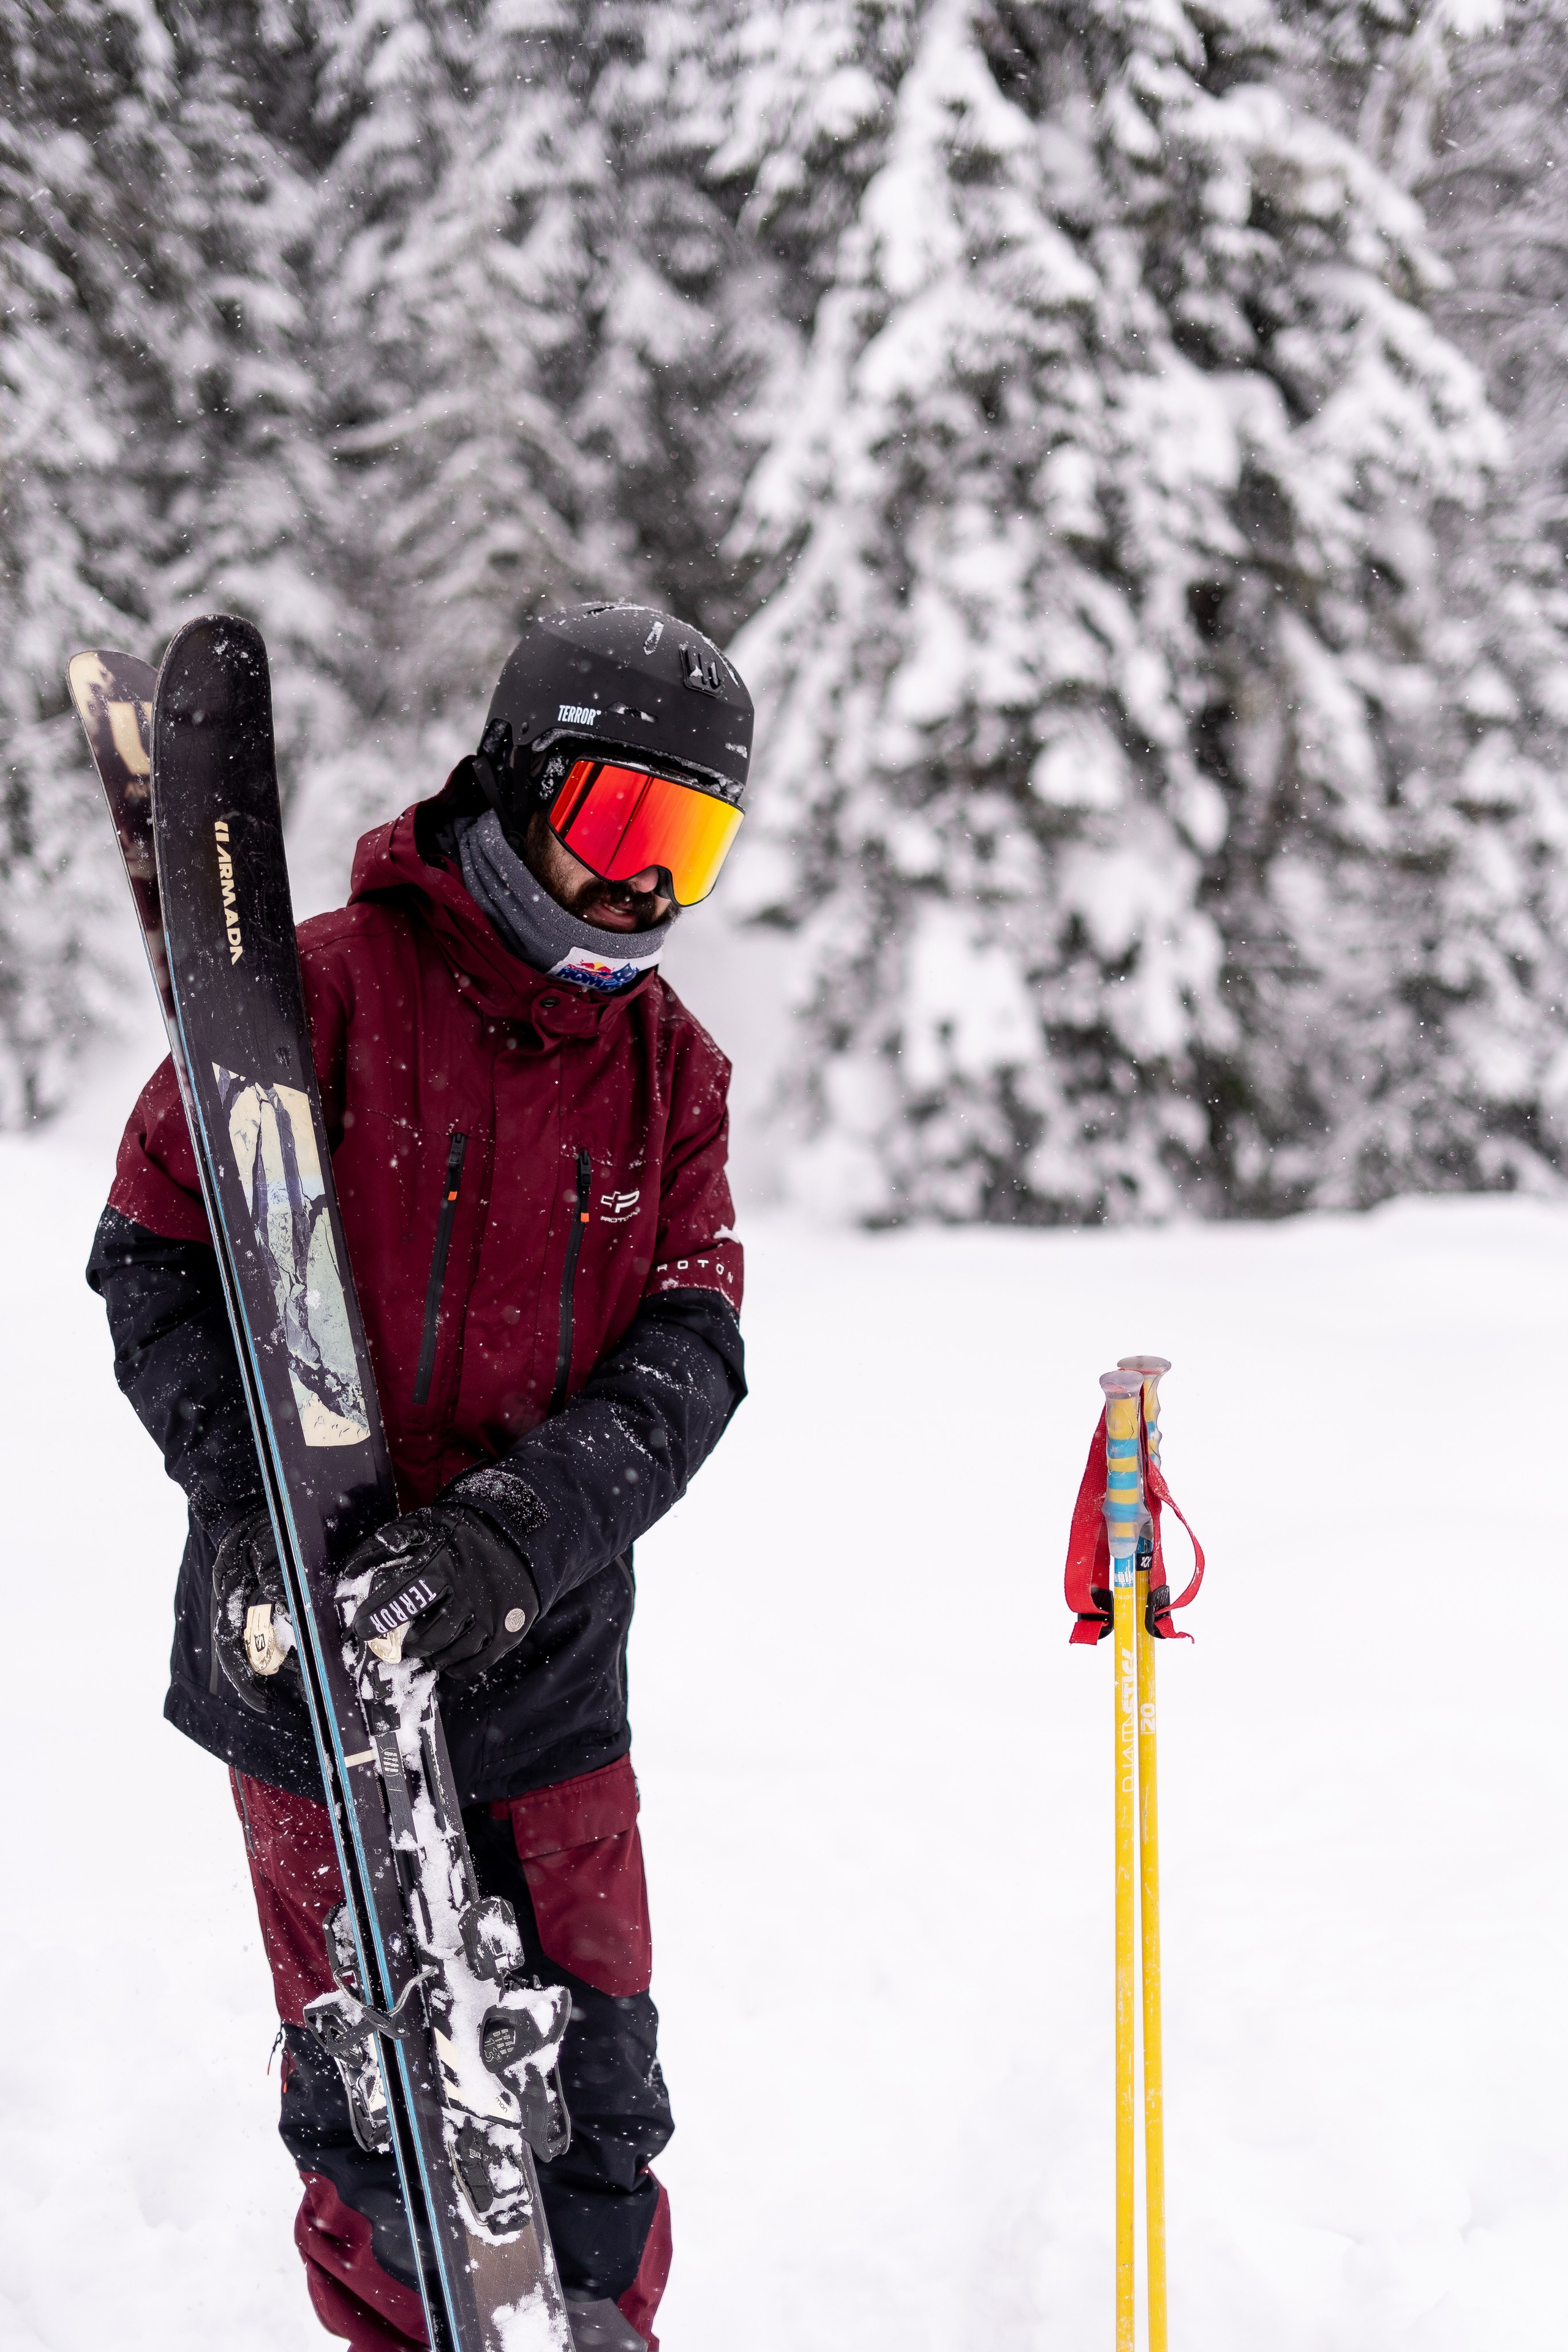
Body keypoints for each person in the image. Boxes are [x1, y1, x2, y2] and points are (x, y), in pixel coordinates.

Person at [87, 603, 753, 2352]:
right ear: (518, 781)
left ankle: (596, 2330)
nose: (643, 888)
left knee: (597, 2092)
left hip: (545, 1659)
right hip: (307, 1655)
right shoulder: (320, 994)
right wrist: (253, 1510)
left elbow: (693, 1350)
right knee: (382, 2110)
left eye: (689, 846)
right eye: (620, 823)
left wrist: (517, 1538)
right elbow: (153, 1258)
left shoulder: (673, 1075)